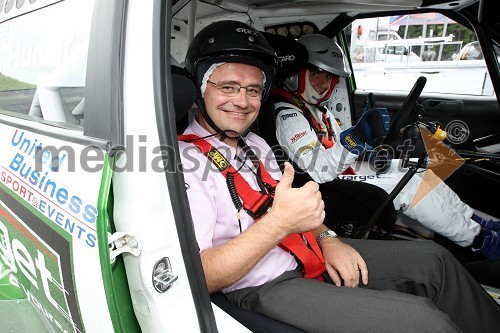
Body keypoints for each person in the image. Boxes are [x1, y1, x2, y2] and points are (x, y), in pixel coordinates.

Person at [178, 20, 500, 333]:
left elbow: (297, 209)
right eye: (228, 87)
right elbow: (200, 274)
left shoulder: (256, 144)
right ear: (199, 88)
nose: (242, 101)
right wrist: (279, 224)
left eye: (252, 90)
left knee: (435, 264)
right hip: (263, 283)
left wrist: (327, 240)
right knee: (427, 323)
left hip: (304, 249)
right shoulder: (184, 163)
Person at [273, 33, 499, 257]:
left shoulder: (318, 110)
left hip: (340, 172)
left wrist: (367, 152)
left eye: (329, 77)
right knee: (407, 184)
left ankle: (472, 219)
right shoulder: (288, 117)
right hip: (324, 186)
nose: (323, 84)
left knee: (413, 167)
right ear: (296, 75)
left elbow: (338, 147)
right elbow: (319, 170)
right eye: (316, 75)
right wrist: (357, 137)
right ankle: (477, 239)